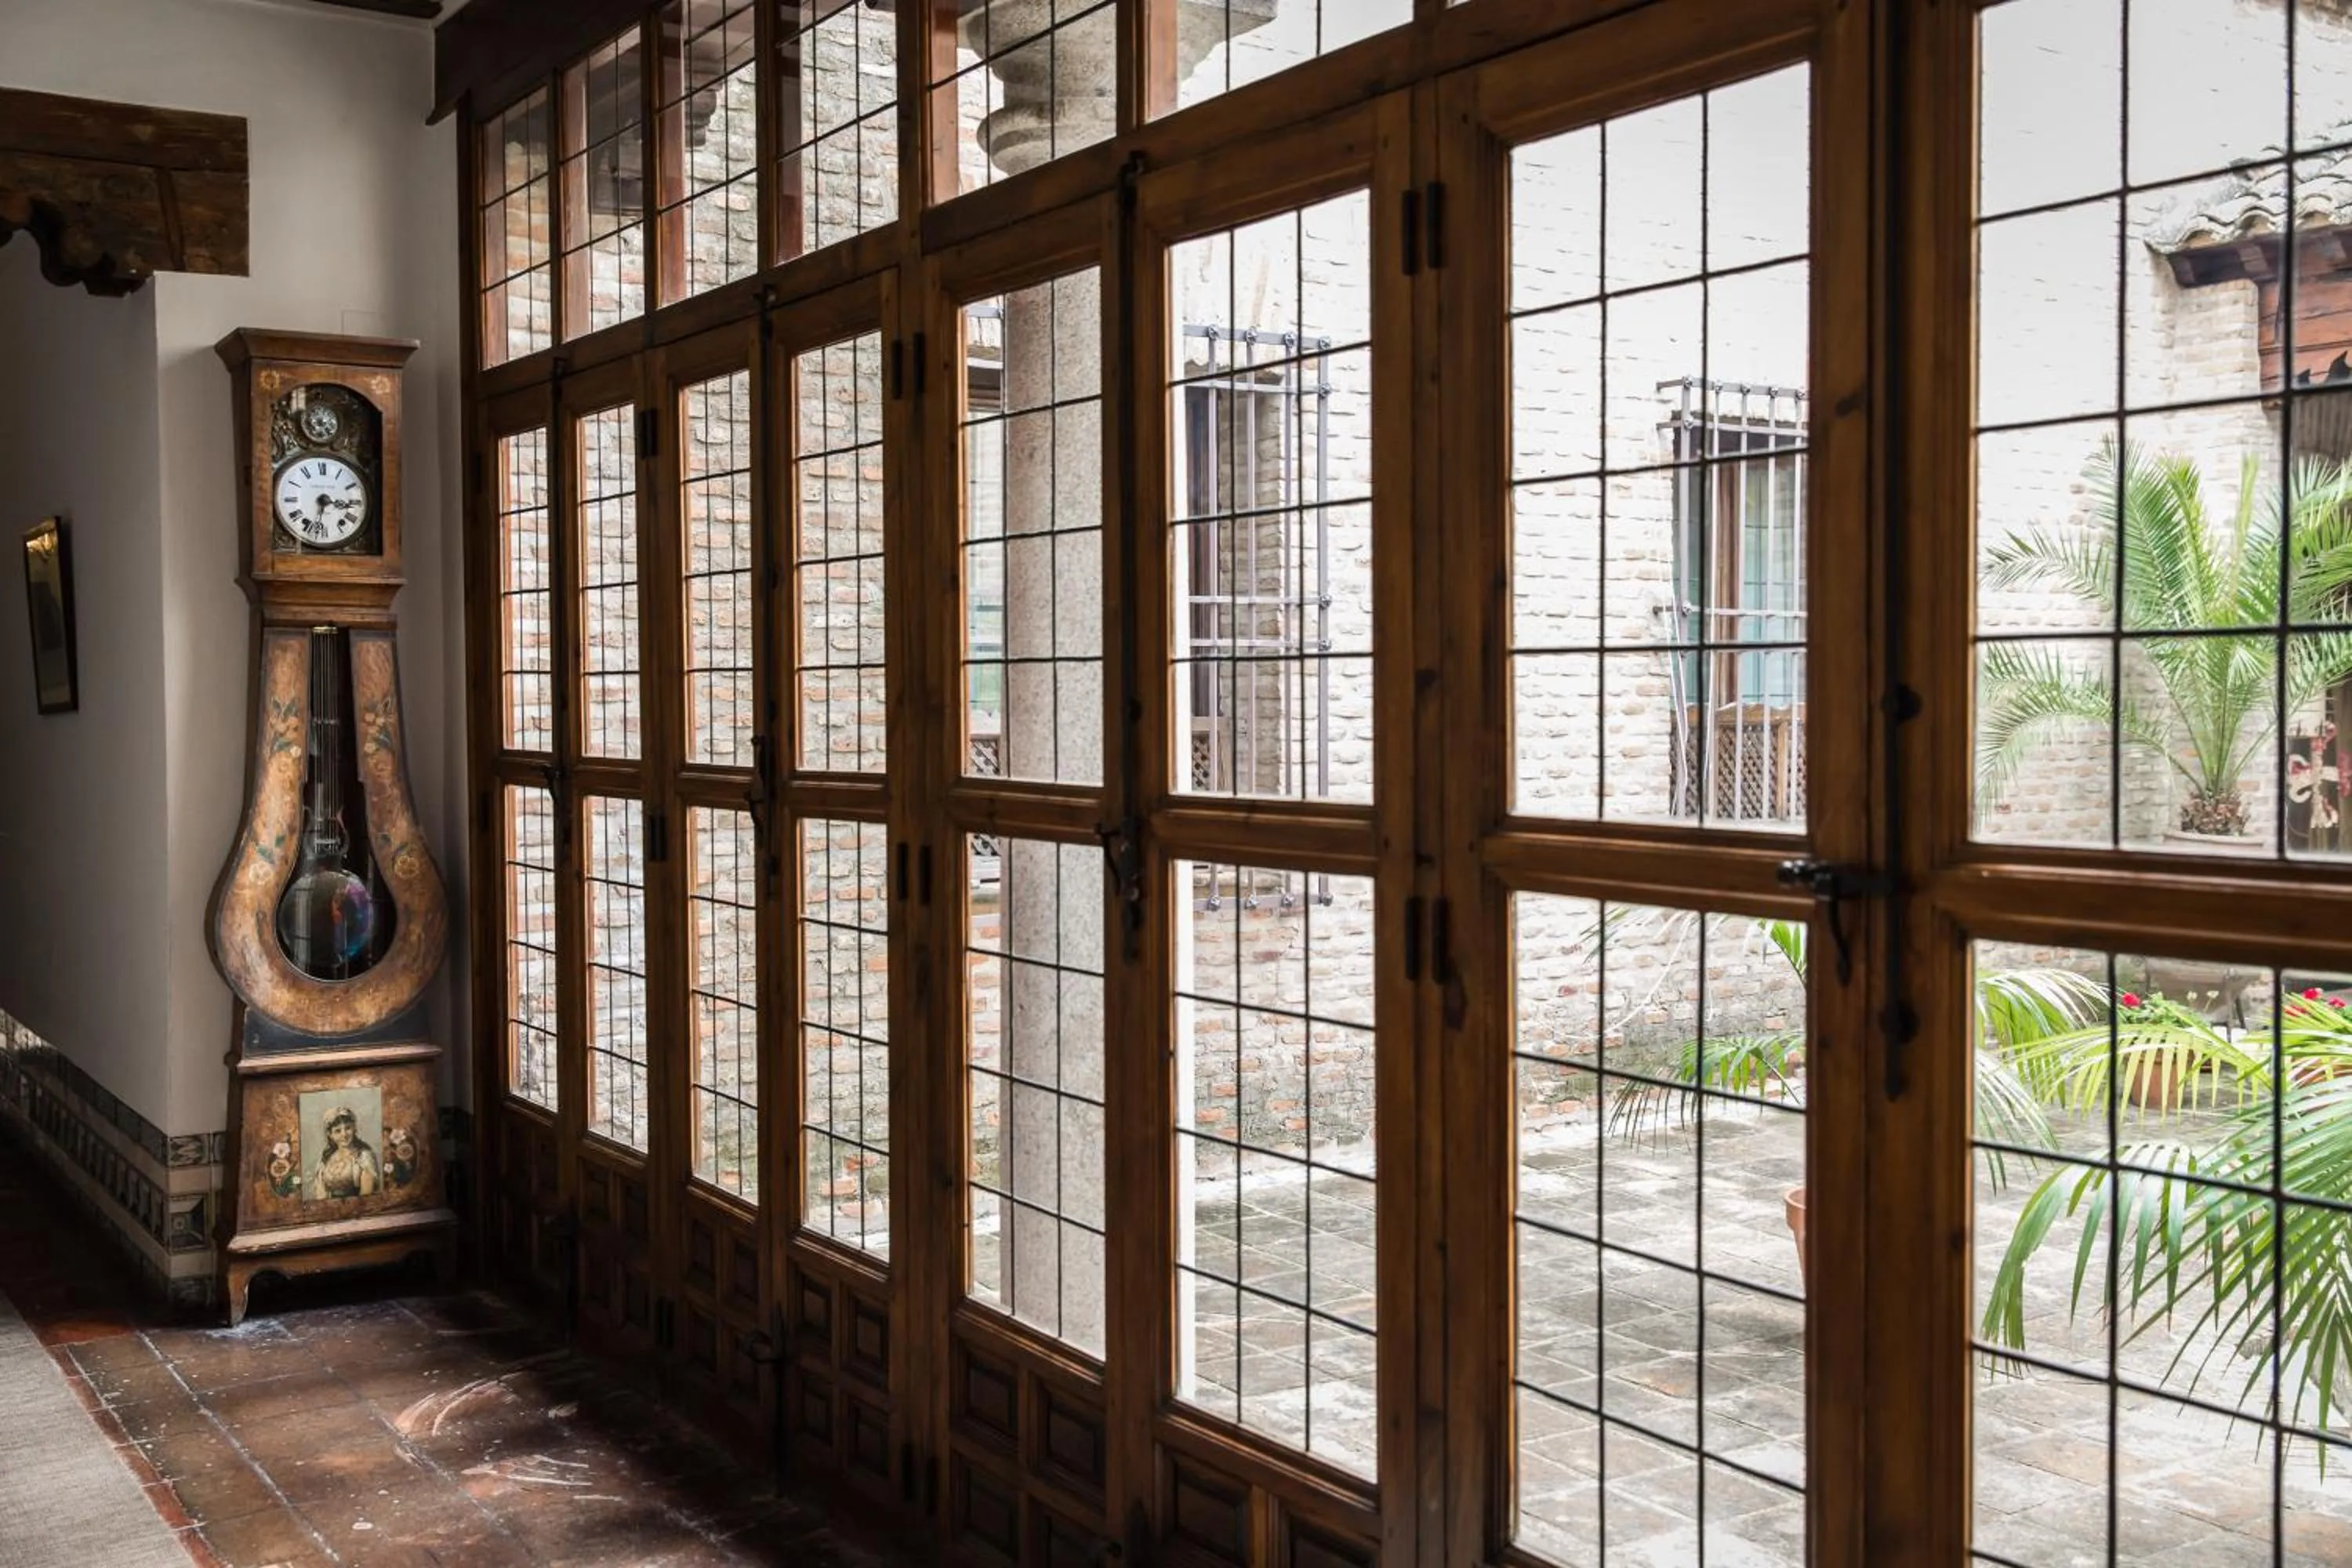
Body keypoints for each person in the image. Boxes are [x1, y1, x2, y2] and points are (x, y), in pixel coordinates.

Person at [307, 1105, 380, 1200]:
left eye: (348, 1128)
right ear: (330, 1135)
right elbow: (321, 1193)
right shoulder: (326, 1158)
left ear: (354, 1128)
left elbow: (366, 1195)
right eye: (338, 1131)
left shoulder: (364, 1157)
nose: (344, 1134)